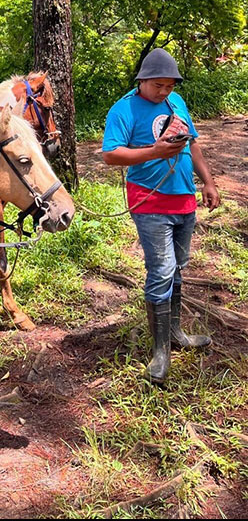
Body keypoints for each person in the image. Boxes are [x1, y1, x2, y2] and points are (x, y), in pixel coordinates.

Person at [102, 48, 220, 385]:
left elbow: (193, 145)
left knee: (178, 267)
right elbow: (111, 154)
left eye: (169, 86)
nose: (164, 92)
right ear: (142, 80)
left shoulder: (177, 103)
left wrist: (208, 182)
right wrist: (154, 151)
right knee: (162, 270)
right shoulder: (124, 109)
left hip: (184, 200)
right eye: (159, 86)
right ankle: (160, 351)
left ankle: (176, 332)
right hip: (150, 201)